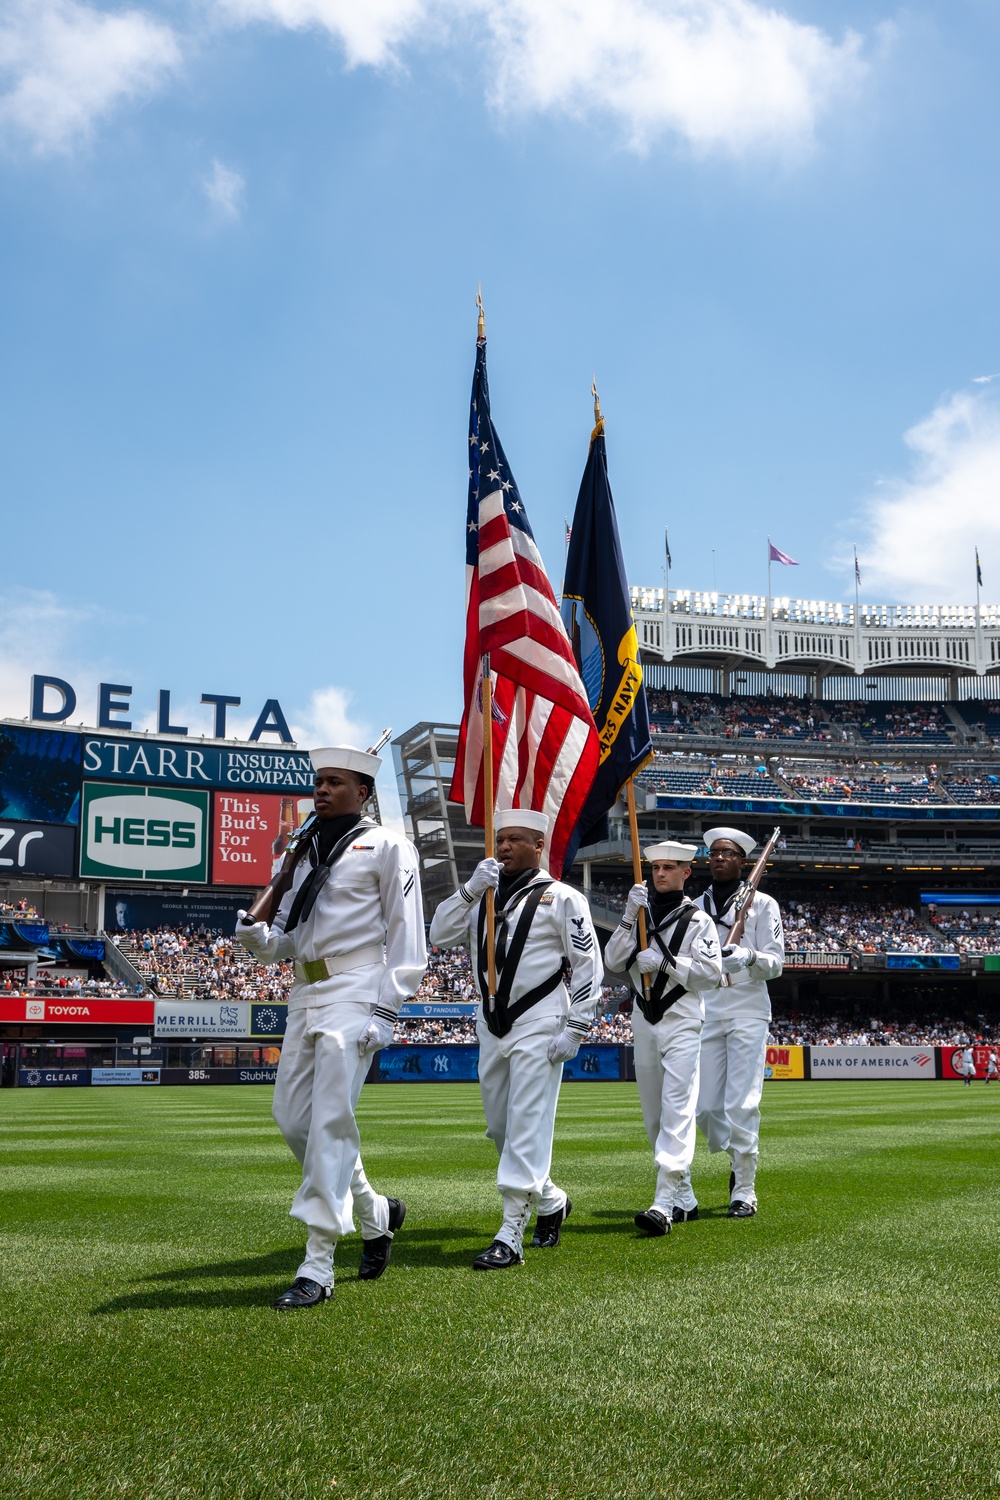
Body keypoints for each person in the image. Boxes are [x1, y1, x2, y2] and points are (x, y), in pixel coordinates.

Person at [236, 745, 426, 1309]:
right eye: (317, 781)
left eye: (334, 781)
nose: (320, 789)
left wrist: (389, 1006)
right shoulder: (307, 850)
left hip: (356, 987)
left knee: (329, 1123)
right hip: (306, 989)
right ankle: (375, 1212)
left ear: (363, 792)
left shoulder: (387, 846)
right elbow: (291, 940)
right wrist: (260, 938)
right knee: (292, 1117)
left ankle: (318, 1263)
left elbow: (407, 931)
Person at [429, 809, 603, 1268]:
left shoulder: (563, 897)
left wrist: (578, 1026)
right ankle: (550, 1200)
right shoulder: (481, 897)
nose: (504, 847)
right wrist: (469, 890)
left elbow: (587, 965)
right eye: (500, 839)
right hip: (491, 1023)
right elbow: (438, 934)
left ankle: (510, 1232)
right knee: (499, 1127)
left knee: (526, 1122)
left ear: (539, 845)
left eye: (515, 839)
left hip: (541, 1020)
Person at [604, 840, 722, 1237]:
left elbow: (710, 975)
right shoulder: (639, 914)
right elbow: (612, 960)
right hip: (644, 1019)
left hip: (683, 1019)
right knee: (654, 1113)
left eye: (669, 868)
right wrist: (626, 916)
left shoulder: (699, 920)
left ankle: (662, 1202)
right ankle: (684, 1196)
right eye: (655, 868)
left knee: (677, 1108)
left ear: (686, 873)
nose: (660, 874)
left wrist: (668, 963)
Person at [679, 826, 784, 1220]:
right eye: (714, 853)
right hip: (707, 1007)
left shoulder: (764, 904)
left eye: (728, 853)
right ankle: (738, 1154)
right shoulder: (694, 906)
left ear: (744, 861)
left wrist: (748, 957)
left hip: (747, 1006)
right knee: (705, 1108)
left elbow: (776, 963)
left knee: (742, 1102)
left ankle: (744, 1186)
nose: (719, 858)